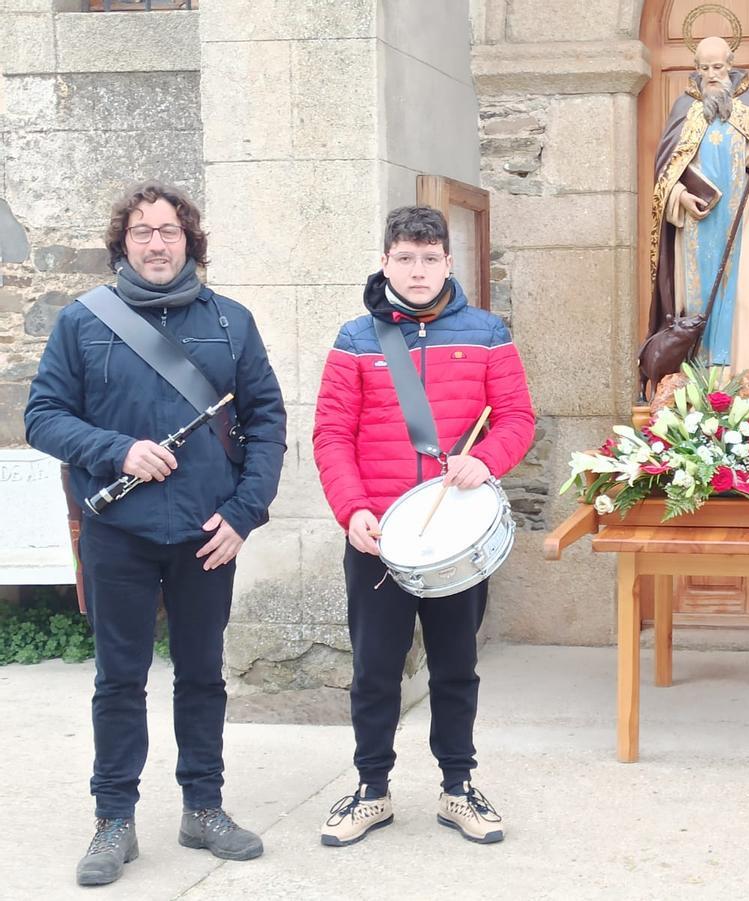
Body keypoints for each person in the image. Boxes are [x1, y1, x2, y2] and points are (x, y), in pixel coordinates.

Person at [25, 181, 286, 885]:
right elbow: (43, 416)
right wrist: (118, 449)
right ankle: (114, 819)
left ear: (189, 240)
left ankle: (203, 807)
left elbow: (267, 423)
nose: (156, 242)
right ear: (124, 244)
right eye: (142, 231)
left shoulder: (231, 322)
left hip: (208, 534)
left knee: (202, 676)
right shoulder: (82, 323)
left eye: (169, 230)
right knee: (119, 679)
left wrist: (243, 513)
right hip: (120, 532)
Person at [312, 205, 535, 847]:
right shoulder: (356, 339)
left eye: (429, 258)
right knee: (375, 670)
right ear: (386, 262)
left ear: (447, 262)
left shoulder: (487, 331)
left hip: (455, 539)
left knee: (456, 668)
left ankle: (458, 789)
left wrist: (485, 459)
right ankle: (372, 791)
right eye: (404, 258)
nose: (417, 270)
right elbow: (331, 436)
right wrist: (352, 509)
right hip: (378, 536)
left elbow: (518, 418)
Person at [645, 35, 749, 378]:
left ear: (731, 67)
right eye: (704, 68)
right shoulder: (683, 112)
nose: (712, 74)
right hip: (694, 229)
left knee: (745, 302)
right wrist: (679, 197)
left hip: (741, 223)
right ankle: (697, 384)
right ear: (696, 70)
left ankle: (744, 381)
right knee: (697, 305)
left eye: (718, 67)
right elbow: (664, 178)